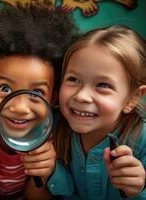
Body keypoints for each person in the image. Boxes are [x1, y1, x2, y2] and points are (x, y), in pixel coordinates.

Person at [0, 4, 78, 199]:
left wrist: (43, 174)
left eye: (37, 92)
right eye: (5, 89)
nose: (19, 107)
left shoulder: (52, 134)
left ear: (52, 99)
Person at [48, 25, 146, 199]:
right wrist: (50, 169)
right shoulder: (52, 129)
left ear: (132, 98)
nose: (82, 96)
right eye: (73, 79)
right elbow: (65, 192)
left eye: (103, 85)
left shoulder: (143, 141)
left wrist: (139, 190)